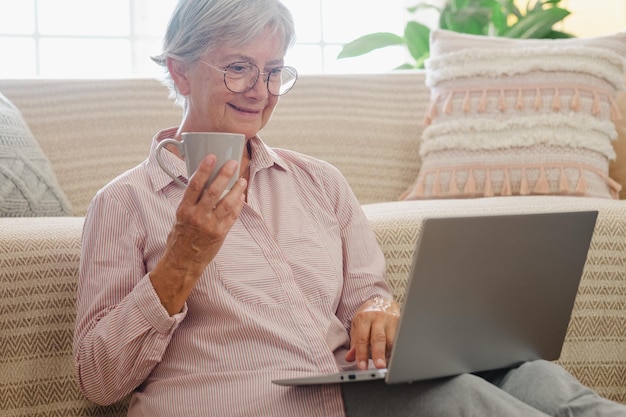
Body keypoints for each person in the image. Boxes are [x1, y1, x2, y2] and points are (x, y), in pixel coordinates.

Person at [73, 0, 626, 416]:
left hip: (350, 392)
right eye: (238, 68)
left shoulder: (320, 183)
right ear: (179, 71)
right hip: (248, 405)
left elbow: (368, 292)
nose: (260, 91)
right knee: (458, 401)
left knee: (534, 378)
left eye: (273, 71)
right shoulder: (123, 204)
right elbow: (100, 378)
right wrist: (182, 263)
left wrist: (378, 312)